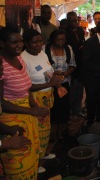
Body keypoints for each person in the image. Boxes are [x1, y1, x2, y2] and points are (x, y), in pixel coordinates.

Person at [0, 27, 49, 178]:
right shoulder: (1, 66)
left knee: (32, 158)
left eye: (20, 41)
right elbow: (1, 103)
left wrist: (35, 106)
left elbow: (26, 88)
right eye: (14, 42)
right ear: (2, 44)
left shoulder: (19, 58)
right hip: (11, 122)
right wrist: (30, 111)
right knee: (19, 165)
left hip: (27, 118)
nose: (19, 45)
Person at [21, 29, 66, 173]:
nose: (38, 45)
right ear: (26, 43)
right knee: (37, 131)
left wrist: (57, 86)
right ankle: (37, 161)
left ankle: (44, 153)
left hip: (48, 96)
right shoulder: (23, 59)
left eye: (40, 41)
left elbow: (49, 72)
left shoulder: (42, 53)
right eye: (34, 42)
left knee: (46, 129)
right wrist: (50, 84)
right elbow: (26, 87)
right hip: (35, 99)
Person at [45, 29, 76, 140]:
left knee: (63, 108)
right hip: (50, 83)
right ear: (53, 39)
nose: (60, 42)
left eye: (63, 39)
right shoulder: (46, 49)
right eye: (58, 39)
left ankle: (61, 132)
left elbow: (72, 65)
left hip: (65, 82)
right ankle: (52, 132)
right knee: (53, 108)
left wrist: (65, 73)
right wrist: (55, 73)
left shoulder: (68, 49)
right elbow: (44, 67)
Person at [65, 11, 85, 117]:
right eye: (71, 21)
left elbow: (82, 42)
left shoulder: (80, 30)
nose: (74, 23)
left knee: (79, 91)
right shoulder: (64, 32)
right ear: (68, 21)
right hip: (71, 65)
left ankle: (77, 110)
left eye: (75, 20)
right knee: (71, 91)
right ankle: (69, 112)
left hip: (80, 65)